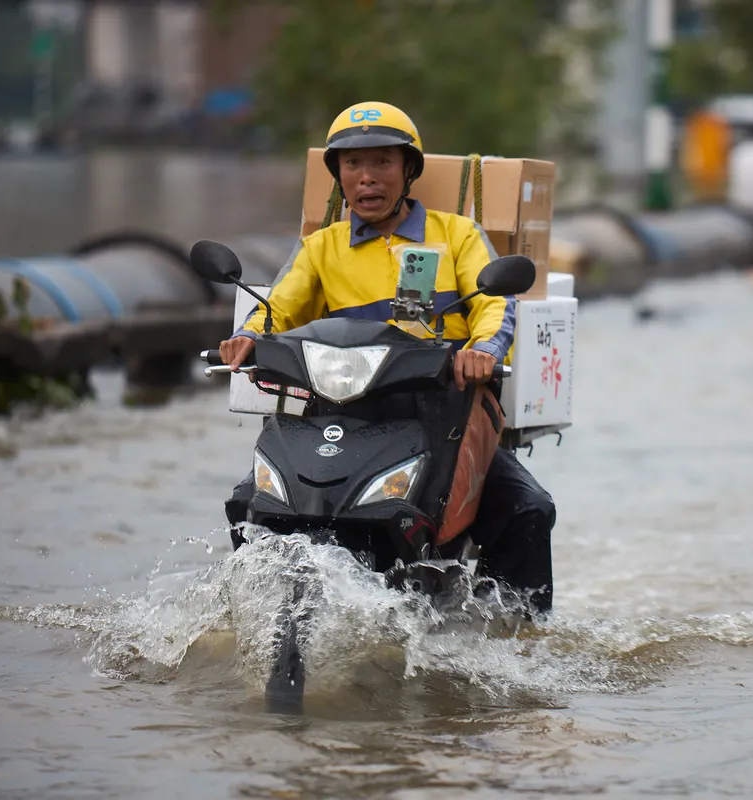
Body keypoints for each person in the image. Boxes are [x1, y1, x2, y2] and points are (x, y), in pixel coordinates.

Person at [218, 101, 556, 618]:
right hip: (341, 411)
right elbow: (279, 307)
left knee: (529, 509)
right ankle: (248, 615)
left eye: (382, 163)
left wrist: (482, 352)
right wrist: (247, 338)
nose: (367, 178)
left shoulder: (457, 235)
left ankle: (520, 637)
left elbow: (495, 307)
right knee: (249, 500)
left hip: (446, 413)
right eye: (352, 165)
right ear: (337, 176)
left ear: (408, 171)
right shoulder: (321, 248)